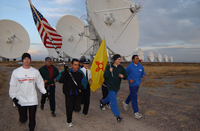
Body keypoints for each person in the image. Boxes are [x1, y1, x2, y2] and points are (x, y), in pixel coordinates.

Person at [9, 53, 47, 131]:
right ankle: (22, 119)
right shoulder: (16, 72)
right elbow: (13, 85)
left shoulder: (35, 72)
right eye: (25, 58)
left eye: (28, 58)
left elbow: (39, 82)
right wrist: (14, 97)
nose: (27, 60)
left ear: (30, 60)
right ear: (22, 60)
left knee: (32, 118)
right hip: (21, 99)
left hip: (32, 99)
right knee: (23, 119)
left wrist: (44, 92)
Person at [58, 59, 87, 127]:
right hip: (69, 94)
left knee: (77, 108)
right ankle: (69, 121)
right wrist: (65, 72)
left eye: (78, 65)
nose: (77, 66)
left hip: (77, 94)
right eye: (75, 65)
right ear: (72, 65)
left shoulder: (80, 73)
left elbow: (85, 82)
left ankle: (75, 108)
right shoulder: (68, 73)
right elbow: (61, 80)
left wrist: (81, 86)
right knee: (69, 108)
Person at [100, 54, 127, 122]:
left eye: (120, 59)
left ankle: (102, 102)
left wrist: (123, 76)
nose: (120, 60)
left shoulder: (121, 68)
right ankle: (118, 116)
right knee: (114, 101)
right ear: (115, 60)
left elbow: (126, 76)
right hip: (110, 87)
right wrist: (109, 71)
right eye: (119, 59)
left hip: (116, 87)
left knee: (109, 98)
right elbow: (105, 76)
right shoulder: (109, 67)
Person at [122, 55, 145, 119]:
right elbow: (125, 74)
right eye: (136, 58)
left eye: (138, 58)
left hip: (137, 84)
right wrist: (129, 79)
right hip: (132, 85)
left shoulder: (141, 67)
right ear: (133, 60)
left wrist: (143, 75)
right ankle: (136, 113)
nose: (137, 59)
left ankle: (126, 103)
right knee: (134, 97)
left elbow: (143, 73)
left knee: (132, 94)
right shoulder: (129, 67)